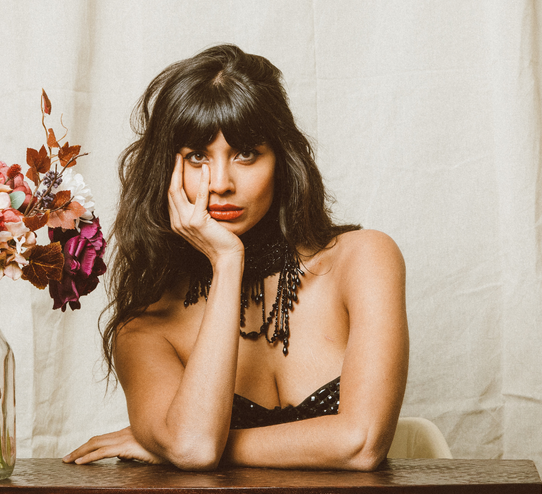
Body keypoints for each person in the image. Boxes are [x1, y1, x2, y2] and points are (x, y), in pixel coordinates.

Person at [63, 45, 409, 471]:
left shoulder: (364, 259)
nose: (222, 182)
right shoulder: (146, 328)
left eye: (245, 154)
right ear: (166, 172)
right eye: (197, 157)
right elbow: (193, 447)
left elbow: (361, 444)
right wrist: (228, 262)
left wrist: (180, 446)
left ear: (282, 160)